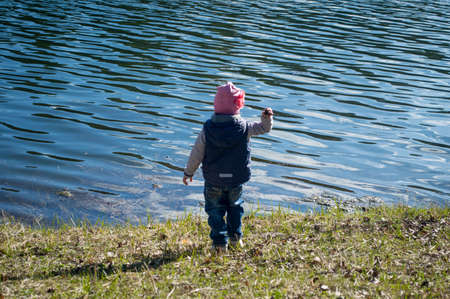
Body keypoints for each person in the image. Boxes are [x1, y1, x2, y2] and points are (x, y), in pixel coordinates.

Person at [183, 82, 273, 252]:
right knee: (235, 208)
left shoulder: (208, 129)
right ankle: (235, 239)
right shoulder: (245, 127)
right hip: (236, 179)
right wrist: (266, 118)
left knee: (215, 211)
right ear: (239, 105)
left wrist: (189, 172)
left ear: (215, 105)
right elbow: (263, 128)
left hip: (213, 180)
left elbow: (197, 153)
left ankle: (219, 243)